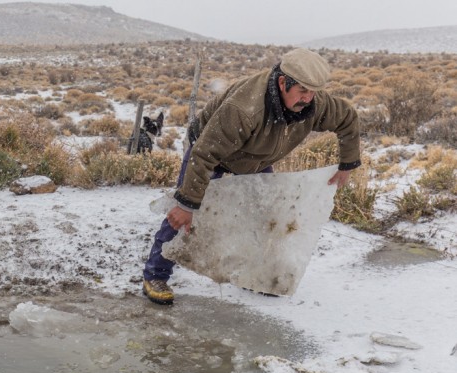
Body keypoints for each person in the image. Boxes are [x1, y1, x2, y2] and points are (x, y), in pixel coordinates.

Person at [142, 48, 361, 305]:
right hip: (210, 152)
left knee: (265, 217)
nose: (308, 98)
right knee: (185, 216)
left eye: (313, 92)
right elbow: (204, 154)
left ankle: (256, 278)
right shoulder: (245, 109)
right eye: (302, 91)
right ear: (282, 83)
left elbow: (347, 118)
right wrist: (188, 203)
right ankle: (155, 275)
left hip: (254, 160)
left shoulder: (314, 103)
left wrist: (347, 162)